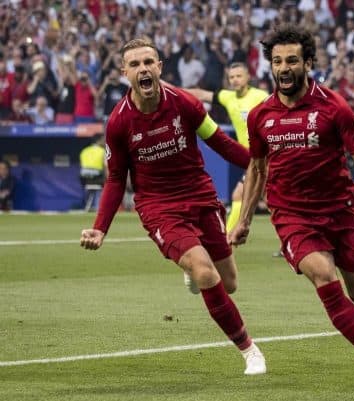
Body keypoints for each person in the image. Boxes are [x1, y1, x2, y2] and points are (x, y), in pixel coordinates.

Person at [229, 25, 354, 390]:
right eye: (277, 61)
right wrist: (244, 219)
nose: (284, 67)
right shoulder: (260, 115)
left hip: (341, 210)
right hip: (292, 216)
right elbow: (257, 168)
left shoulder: (333, 107)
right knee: (324, 277)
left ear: (307, 62)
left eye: (292, 60)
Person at [79, 38, 266, 376]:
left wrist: (265, 163)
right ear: (125, 73)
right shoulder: (119, 122)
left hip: (200, 195)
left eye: (148, 62)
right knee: (206, 272)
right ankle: (250, 350)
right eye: (134, 65)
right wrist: (100, 226)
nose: (143, 69)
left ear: (160, 66)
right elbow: (116, 178)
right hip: (158, 206)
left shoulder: (186, 103)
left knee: (230, 282)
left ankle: (191, 268)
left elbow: (221, 144)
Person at [183, 63, 270, 288]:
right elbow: (201, 94)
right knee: (247, 197)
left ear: (248, 76)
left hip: (268, 156)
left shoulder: (261, 96)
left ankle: (226, 242)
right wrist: (170, 90)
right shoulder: (228, 97)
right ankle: (227, 241)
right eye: (231, 77)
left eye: (239, 76)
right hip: (250, 159)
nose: (235, 80)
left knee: (243, 195)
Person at [79, 133, 106, 212]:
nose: (105, 141)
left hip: (84, 179)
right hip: (98, 179)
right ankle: (101, 207)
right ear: (99, 140)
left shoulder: (84, 151)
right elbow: (106, 166)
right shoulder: (102, 151)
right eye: (103, 140)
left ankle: (88, 205)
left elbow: (82, 165)